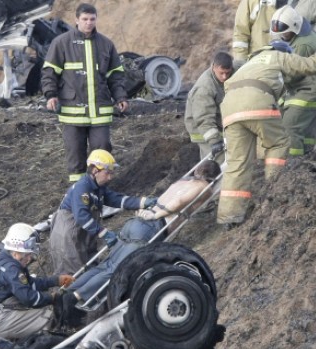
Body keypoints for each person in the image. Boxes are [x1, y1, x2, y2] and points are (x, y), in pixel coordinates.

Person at [59, 160, 221, 317]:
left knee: (105, 265)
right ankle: (75, 298)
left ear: (197, 171)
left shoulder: (181, 182)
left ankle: (69, 291)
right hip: (151, 227)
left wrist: (148, 207)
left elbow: (125, 199)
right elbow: (179, 201)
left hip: (135, 224)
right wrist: (157, 214)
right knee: (116, 269)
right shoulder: (203, 187)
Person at [216, 41, 316, 228]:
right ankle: (275, 193)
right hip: (256, 100)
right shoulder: (279, 56)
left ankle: (229, 217)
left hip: (229, 107)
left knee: (238, 161)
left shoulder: (251, 62)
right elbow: (309, 65)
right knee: (278, 144)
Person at [41, 3, 128, 183]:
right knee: (75, 156)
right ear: (76, 20)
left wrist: (120, 97)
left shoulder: (106, 44)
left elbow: (116, 76)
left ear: (96, 19)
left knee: (102, 152)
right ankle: (79, 195)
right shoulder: (62, 43)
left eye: (92, 19)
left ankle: (100, 191)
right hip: (72, 113)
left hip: (100, 113)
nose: (89, 23)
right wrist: (51, 95)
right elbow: (49, 72)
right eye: (85, 19)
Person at [49, 149, 157, 276]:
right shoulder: (82, 188)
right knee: (75, 275)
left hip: (83, 235)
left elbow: (117, 199)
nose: (110, 177)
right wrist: (104, 233)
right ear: (95, 171)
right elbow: (81, 216)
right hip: (67, 238)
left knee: (91, 268)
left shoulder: (98, 188)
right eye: (108, 173)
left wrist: (143, 202)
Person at [271, 6, 316, 155]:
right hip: (300, 88)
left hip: (308, 90)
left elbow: (295, 71)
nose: (283, 36)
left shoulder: (303, 44)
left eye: (285, 32)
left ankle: (294, 164)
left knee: (290, 126)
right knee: (307, 131)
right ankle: (308, 160)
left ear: (295, 27)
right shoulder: (295, 35)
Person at [184, 51, 233, 164]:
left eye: (228, 73)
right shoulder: (204, 88)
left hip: (217, 124)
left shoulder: (232, 71)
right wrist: (214, 141)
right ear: (213, 68)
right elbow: (203, 118)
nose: (225, 77)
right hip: (203, 130)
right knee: (217, 163)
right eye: (221, 73)